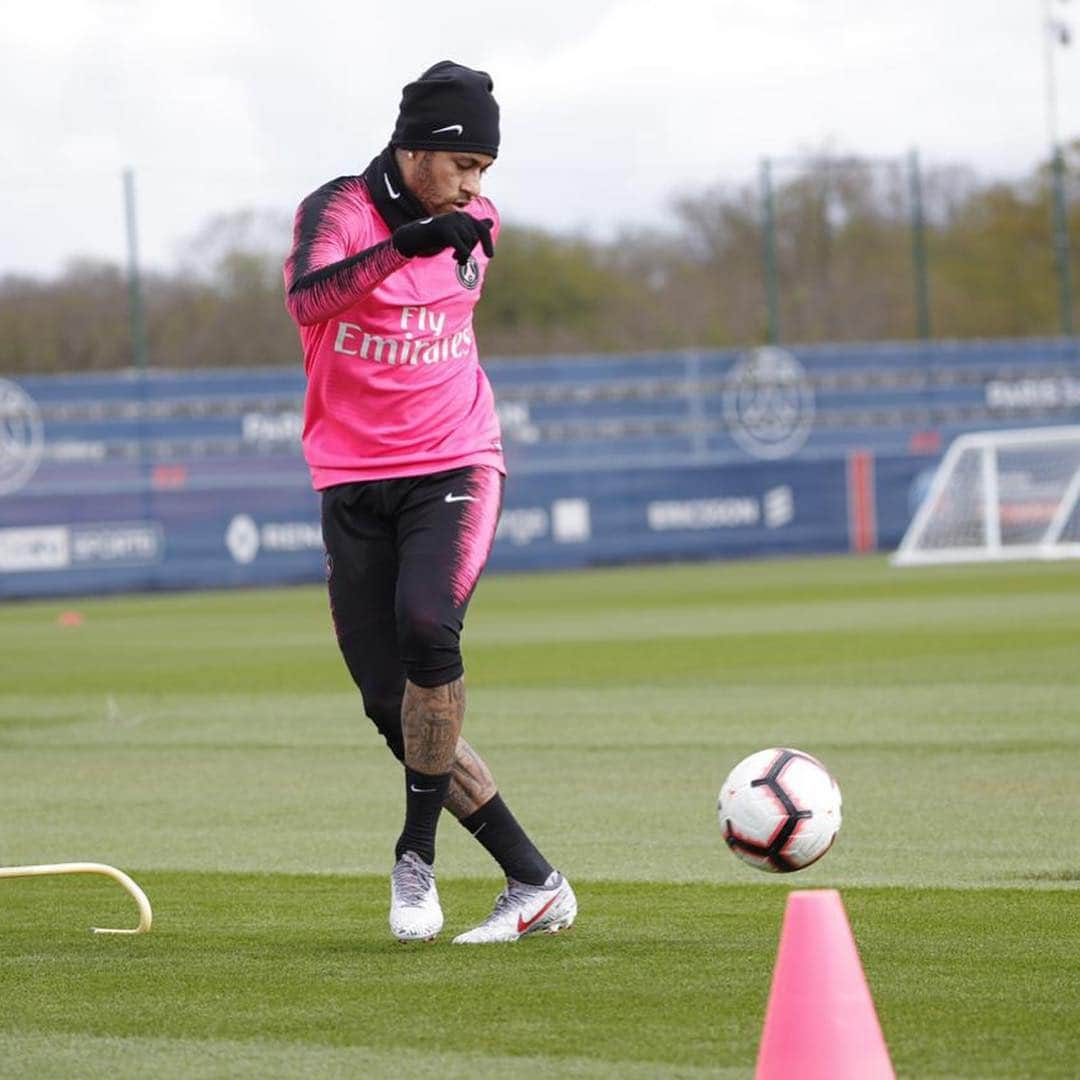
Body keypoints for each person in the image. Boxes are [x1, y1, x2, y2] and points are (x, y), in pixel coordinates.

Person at [283, 61, 576, 944]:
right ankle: (535, 880)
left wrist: (441, 228)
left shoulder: (478, 222)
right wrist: (399, 249)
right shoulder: (336, 210)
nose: (478, 186)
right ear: (419, 150)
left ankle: (415, 856)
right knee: (388, 703)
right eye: (466, 164)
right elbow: (307, 300)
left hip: (457, 460)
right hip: (350, 478)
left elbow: (458, 280)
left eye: (487, 169)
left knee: (427, 625)